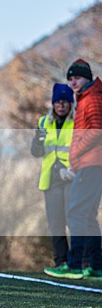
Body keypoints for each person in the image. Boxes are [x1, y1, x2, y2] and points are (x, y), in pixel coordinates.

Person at [33, 84, 81, 278]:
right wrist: (38, 140)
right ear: (53, 104)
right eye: (57, 102)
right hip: (50, 179)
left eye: (65, 102)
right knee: (56, 223)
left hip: (71, 177)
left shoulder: (77, 122)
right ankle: (60, 262)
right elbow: (36, 152)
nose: (61, 106)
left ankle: (78, 262)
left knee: (73, 220)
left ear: (71, 104)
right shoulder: (44, 122)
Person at [63, 59, 102, 277]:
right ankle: (96, 265)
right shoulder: (86, 97)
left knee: (76, 213)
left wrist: (76, 150)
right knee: (87, 216)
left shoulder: (93, 98)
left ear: (87, 77)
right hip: (91, 164)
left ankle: (75, 264)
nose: (73, 82)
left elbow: (97, 130)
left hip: (91, 164)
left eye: (76, 77)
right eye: (70, 79)